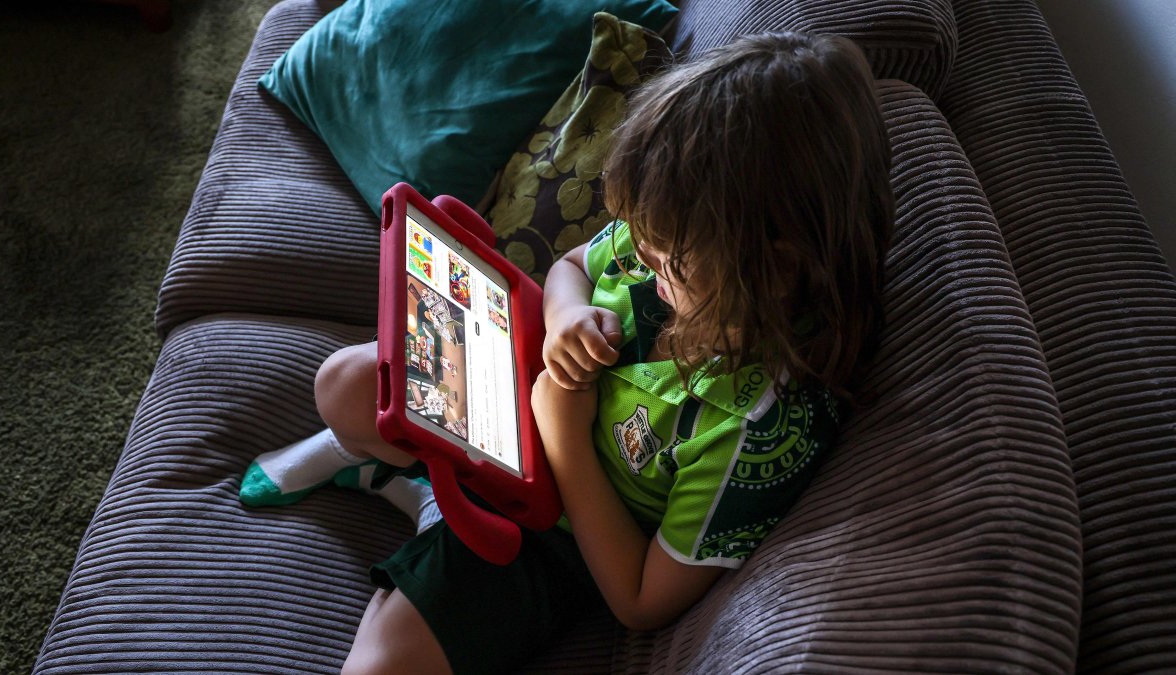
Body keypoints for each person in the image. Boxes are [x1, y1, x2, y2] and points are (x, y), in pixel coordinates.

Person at [238, 29, 894, 675]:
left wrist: (566, 437)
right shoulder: (687, 232)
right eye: (639, 239)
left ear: (775, 271)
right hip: (519, 391)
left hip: (561, 537)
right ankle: (423, 484)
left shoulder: (762, 426)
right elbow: (573, 265)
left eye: (664, 260)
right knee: (344, 384)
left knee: (381, 666)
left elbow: (640, 599)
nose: (640, 258)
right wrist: (566, 315)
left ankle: (428, 497)